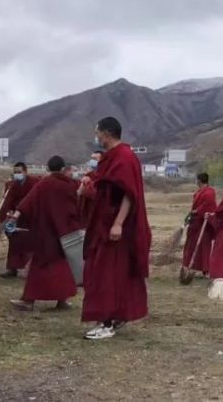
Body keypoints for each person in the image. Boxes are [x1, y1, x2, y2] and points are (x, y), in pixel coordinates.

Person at [80, 117, 152, 340]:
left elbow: (129, 194)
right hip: (103, 223)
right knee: (113, 273)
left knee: (106, 274)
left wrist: (118, 223)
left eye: (98, 133)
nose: (97, 137)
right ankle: (118, 315)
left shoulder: (124, 157)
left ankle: (107, 322)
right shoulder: (111, 158)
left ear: (107, 133)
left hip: (115, 227)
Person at [9, 156, 84, 311]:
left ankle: (29, 301)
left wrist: (15, 216)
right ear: (63, 169)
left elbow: (28, 201)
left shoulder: (44, 183)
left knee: (40, 264)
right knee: (62, 265)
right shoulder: (70, 184)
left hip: (46, 231)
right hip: (65, 230)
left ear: (48, 168)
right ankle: (61, 301)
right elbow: (77, 202)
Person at [0, 162, 40, 278]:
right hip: (17, 217)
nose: (17, 174)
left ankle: (33, 269)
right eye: (15, 172)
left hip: (31, 217)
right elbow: (9, 200)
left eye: (19, 172)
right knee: (14, 242)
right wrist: (4, 215)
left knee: (32, 244)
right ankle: (12, 269)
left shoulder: (35, 182)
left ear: (25, 172)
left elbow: (37, 199)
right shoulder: (14, 185)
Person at [183, 172, 216, 279]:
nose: (196, 181)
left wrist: (197, 211)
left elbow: (207, 206)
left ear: (200, 180)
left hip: (203, 224)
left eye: (196, 180)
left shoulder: (209, 193)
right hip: (195, 224)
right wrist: (190, 215)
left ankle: (205, 270)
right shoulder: (198, 192)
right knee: (191, 245)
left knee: (204, 247)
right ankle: (189, 266)